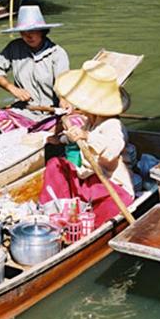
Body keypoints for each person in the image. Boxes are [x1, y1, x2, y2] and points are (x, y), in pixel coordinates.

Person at [39, 60, 135, 228]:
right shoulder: (91, 119)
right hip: (88, 177)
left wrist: (87, 136)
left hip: (109, 186)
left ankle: (81, 223)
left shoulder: (113, 124)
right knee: (56, 164)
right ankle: (55, 211)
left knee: (103, 212)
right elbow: (77, 135)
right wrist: (61, 139)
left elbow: (112, 150)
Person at [0, 5, 70, 131]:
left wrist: (63, 99)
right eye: (23, 33)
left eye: (32, 32)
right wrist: (12, 88)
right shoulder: (14, 47)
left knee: (74, 124)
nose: (28, 37)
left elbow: (62, 83)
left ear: (42, 31)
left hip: (51, 113)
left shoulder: (57, 53)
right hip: (23, 111)